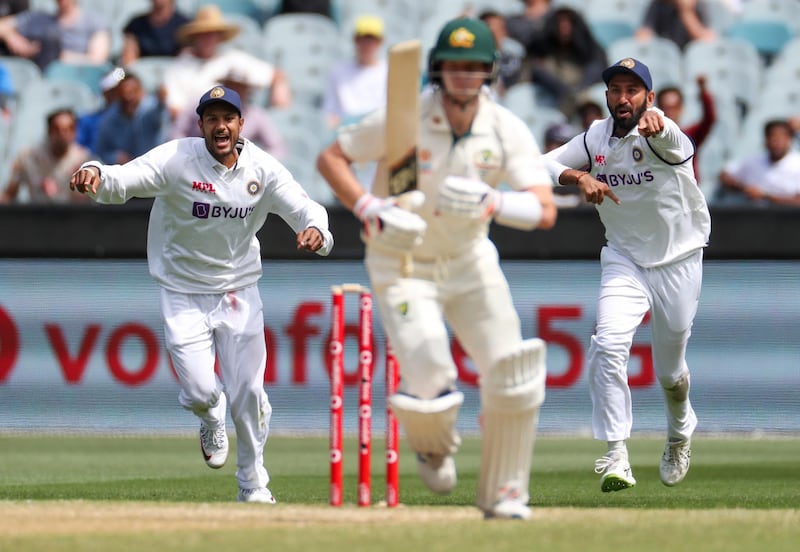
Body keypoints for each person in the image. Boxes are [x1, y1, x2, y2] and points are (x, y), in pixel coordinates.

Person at [317, 18, 557, 520]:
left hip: (469, 262)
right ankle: (432, 444)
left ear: (489, 73)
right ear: (438, 71)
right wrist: (368, 207)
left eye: (474, 68)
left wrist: (494, 201)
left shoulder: (505, 128)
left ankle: (506, 492)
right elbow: (332, 157)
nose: (464, 78)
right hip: (401, 263)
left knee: (511, 370)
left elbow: (544, 210)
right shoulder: (403, 116)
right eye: (454, 67)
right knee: (428, 368)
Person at [68, 85, 334, 503]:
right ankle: (210, 413)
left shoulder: (262, 169)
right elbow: (124, 180)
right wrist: (95, 174)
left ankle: (253, 484)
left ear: (241, 125)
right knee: (198, 390)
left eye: (227, 118)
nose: (220, 126)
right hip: (182, 290)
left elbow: (305, 209)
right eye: (211, 119)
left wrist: (318, 232)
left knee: (247, 393)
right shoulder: (177, 159)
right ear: (202, 125)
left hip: (238, 289)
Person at [543, 58, 710, 492]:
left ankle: (680, 431)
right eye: (616, 90)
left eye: (633, 91)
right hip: (624, 258)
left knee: (671, 373)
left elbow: (680, 144)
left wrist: (661, 123)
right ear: (606, 96)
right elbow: (538, 165)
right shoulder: (596, 136)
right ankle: (617, 453)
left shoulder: (663, 133)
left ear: (648, 98)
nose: (623, 98)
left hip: (678, 258)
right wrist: (578, 176)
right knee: (608, 342)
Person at [162, 5, 291, 120]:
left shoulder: (233, 59)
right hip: (195, 130)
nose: (208, 39)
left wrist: (279, 112)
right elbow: (175, 111)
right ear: (194, 37)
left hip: (235, 130)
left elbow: (276, 76)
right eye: (203, 34)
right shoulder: (179, 68)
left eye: (212, 34)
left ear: (220, 36)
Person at [170, 67, 287, 160]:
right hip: (195, 162)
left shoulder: (256, 116)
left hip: (235, 173)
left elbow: (277, 148)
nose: (235, 90)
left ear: (247, 90)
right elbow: (175, 135)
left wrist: (251, 162)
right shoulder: (200, 105)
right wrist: (189, 153)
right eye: (231, 85)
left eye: (240, 86)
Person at [526, 6, 608, 118]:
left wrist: (579, 88)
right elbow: (534, 68)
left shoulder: (589, 47)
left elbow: (597, 67)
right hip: (553, 96)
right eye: (560, 23)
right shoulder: (542, 46)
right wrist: (562, 89)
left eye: (568, 23)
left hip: (581, 92)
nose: (564, 28)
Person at [1, 108, 92, 204]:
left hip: (73, 216)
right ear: (49, 131)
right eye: (57, 129)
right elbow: (10, 193)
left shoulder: (84, 160)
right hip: (38, 215)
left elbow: (87, 201)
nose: (62, 134)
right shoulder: (27, 157)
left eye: (68, 129)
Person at [0, 0, 111, 70]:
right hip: (41, 78)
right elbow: (3, 26)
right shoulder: (38, 19)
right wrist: (12, 37)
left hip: (76, 74)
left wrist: (60, 57)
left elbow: (98, 60)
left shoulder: (94, 23)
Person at [322, 14, 387, 130]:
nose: (367, 45)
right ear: (355, 40)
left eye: (372, 40)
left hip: (378, 131)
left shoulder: (389, 71)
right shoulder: (337, 71)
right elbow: (330, 113)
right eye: (363, 40)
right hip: (346, 132)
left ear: (380, 42)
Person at [717, 119, 800, 206]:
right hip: (755, 217)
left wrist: (766, 196)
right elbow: (725, 175)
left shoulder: (797, 163)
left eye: (781, 137)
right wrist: (742, 188)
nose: (776, 142)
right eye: (772, 137)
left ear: (789, 139)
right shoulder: (754, 161)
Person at [94, 72, 169, 165]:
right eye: (124, 94)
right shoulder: (108, 119)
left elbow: (159, 114)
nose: (128, 98)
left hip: (154, 168)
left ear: (141, 92)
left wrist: (161, 101)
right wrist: (114, 157)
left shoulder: (151, 109)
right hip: (124, 172)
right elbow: (101, 151)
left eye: (133, 92)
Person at [656, 75, 716, 181]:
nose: (670, 112)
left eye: (674, 107)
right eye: (665, 107)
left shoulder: (690, 135)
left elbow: (709, 119)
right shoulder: (650, 137)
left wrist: (703, 90)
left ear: (681, 108)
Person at [119, 0, 191, 67]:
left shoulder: (185, 25)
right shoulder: (136, 24)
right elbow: (128, 60)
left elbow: (186, 60)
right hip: (141, 75)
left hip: (174, 75)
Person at [76, 66, 125, 154]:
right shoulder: (87, 120)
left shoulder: (138, 119)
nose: (119, 93)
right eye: (112, 91)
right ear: (105, 92)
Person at [478, 9, 524, 98]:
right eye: (488, 25)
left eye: (498, 26)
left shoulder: (514, 51)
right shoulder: (476, 54)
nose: (493, 30)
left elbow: (515, 75)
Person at [635, 0, 716, 50]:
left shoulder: (699, 4)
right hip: (665, 55)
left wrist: (685, 11)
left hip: (692, 59)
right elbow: (644, 33)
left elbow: (707, 39)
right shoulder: (658, 4)